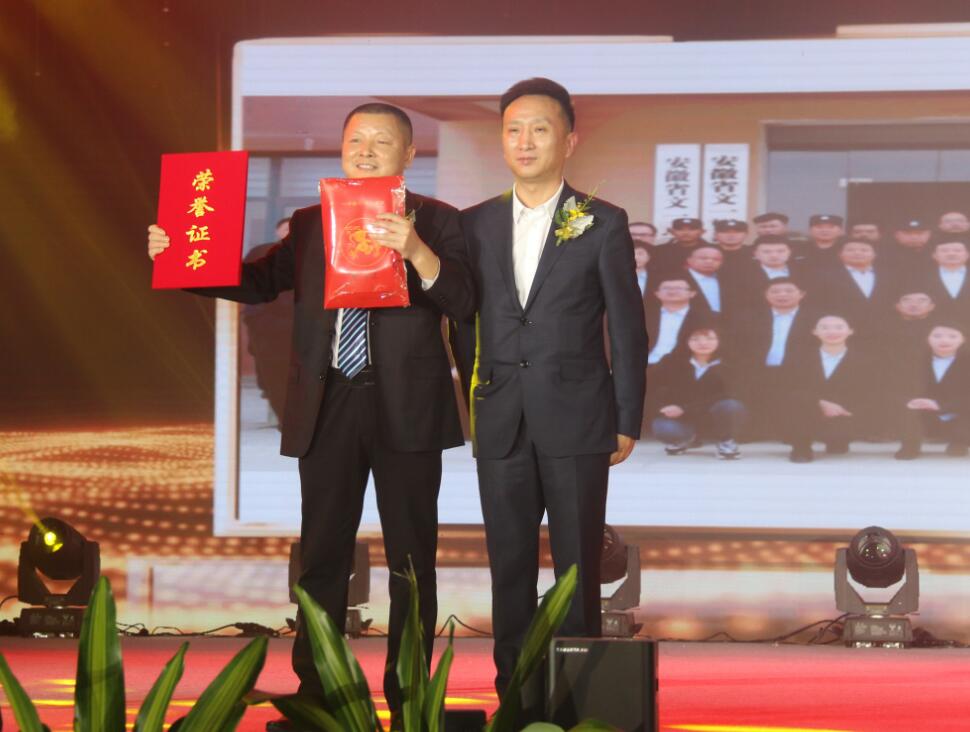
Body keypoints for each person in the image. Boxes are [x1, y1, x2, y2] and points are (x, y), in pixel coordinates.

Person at [147, 103, 475, 725]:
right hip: (329, 403)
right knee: (322, 555)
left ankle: (410, 696)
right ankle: (318, 692)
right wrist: (180, 257)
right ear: (342, 149)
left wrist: (416, 250)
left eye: (383, 141)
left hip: (407, 406)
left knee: (411, 559)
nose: (366, 151)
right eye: (356, 140)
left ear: (409, 155)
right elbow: (257, 281)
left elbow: (463, 299)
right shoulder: (310, 220)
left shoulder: (438, 220)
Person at [454, 78, 647, 716]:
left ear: (569, 140)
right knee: (508, 566)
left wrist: (626, 417)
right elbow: (462, 319)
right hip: (501, 419)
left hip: (579, 418)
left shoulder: (603, 220)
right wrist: (477, 394)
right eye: (513, 129)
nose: (525, 141)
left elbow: (627, 328)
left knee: (577, 570)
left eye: (540, 129)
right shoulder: (474, 223)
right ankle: (514, 699)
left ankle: (575, 702)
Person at [734, 278, 816, 440]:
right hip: (760, 371)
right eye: (775, 291)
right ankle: (753, 432)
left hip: (800, 372)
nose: (782, 295)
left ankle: (793, 434)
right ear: (766, 295)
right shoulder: (750, 317)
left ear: (802, 294)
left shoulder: (815, 318)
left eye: (789, 291)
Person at [786, 315, 872, 463]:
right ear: (814, 331)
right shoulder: (799, 358)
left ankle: (838, 439)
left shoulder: (865, 360)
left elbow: (869, 391)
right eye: (824, 327)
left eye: (839, 327)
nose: (832, 332)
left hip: (846, 413)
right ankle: (801, 447)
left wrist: (839, 408)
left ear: (850, 331)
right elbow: (790, 387)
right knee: (796, 400)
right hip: (809, 411)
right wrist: (820, 403)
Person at [651, 324, 744, 460]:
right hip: (683, 419)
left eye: (710, 338)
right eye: (695, 339)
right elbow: (652, 386)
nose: (703, 343)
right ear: (685, 340)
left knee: (731, 406)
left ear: (720, 340)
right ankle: (687, 439)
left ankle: (726, 441)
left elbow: (730, 394)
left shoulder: (731, 363)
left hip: (713, 415)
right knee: (663, 427)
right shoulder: (671, 361)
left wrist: (685, 409)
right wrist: (664, 407)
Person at [241, 217, 293, 425]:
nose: (289, 233)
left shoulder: (314, 254)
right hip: (268, 327)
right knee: (271, 375)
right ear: (277, 232)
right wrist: (259, 320)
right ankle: (280, 415)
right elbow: (249, 288)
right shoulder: (261, 252)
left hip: (302, 328)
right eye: (285, 229)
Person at [895, 324, 970, 460]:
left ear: (963, 339)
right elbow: (900, 387)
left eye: (952, 336)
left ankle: (959, 442)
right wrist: (913, 401)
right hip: (922, 411)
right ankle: (910, 446)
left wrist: (940, 405)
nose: (944, 340)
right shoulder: (912, 360)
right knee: (903, 408)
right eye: (937, 336)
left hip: (956, 413)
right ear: (927, 338)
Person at [922, 237, 970, 327]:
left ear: (967, 255)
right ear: (934, 255)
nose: (951, 254)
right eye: (944, 251)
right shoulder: (922, 277)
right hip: (932, 326)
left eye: (957, 250)